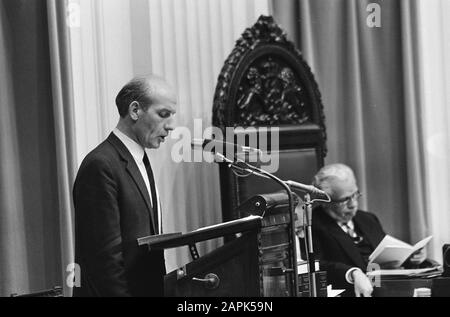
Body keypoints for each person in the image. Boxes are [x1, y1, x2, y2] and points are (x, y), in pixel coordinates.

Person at [72, 75, 177, 296]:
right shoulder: (100, 165)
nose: (171, 127)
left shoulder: (139, 159)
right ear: (135, 110)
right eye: (163, 114)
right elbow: (104, 262)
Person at [311, 163, 430, 297]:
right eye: (344, 200)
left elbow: (387, 253)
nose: (353, 204)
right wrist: (352, 273)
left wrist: (411, 258)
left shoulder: (368, 219)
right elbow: (316, 266)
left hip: (386, 290)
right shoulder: (312, 225)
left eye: (355, 194)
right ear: (324, 201)